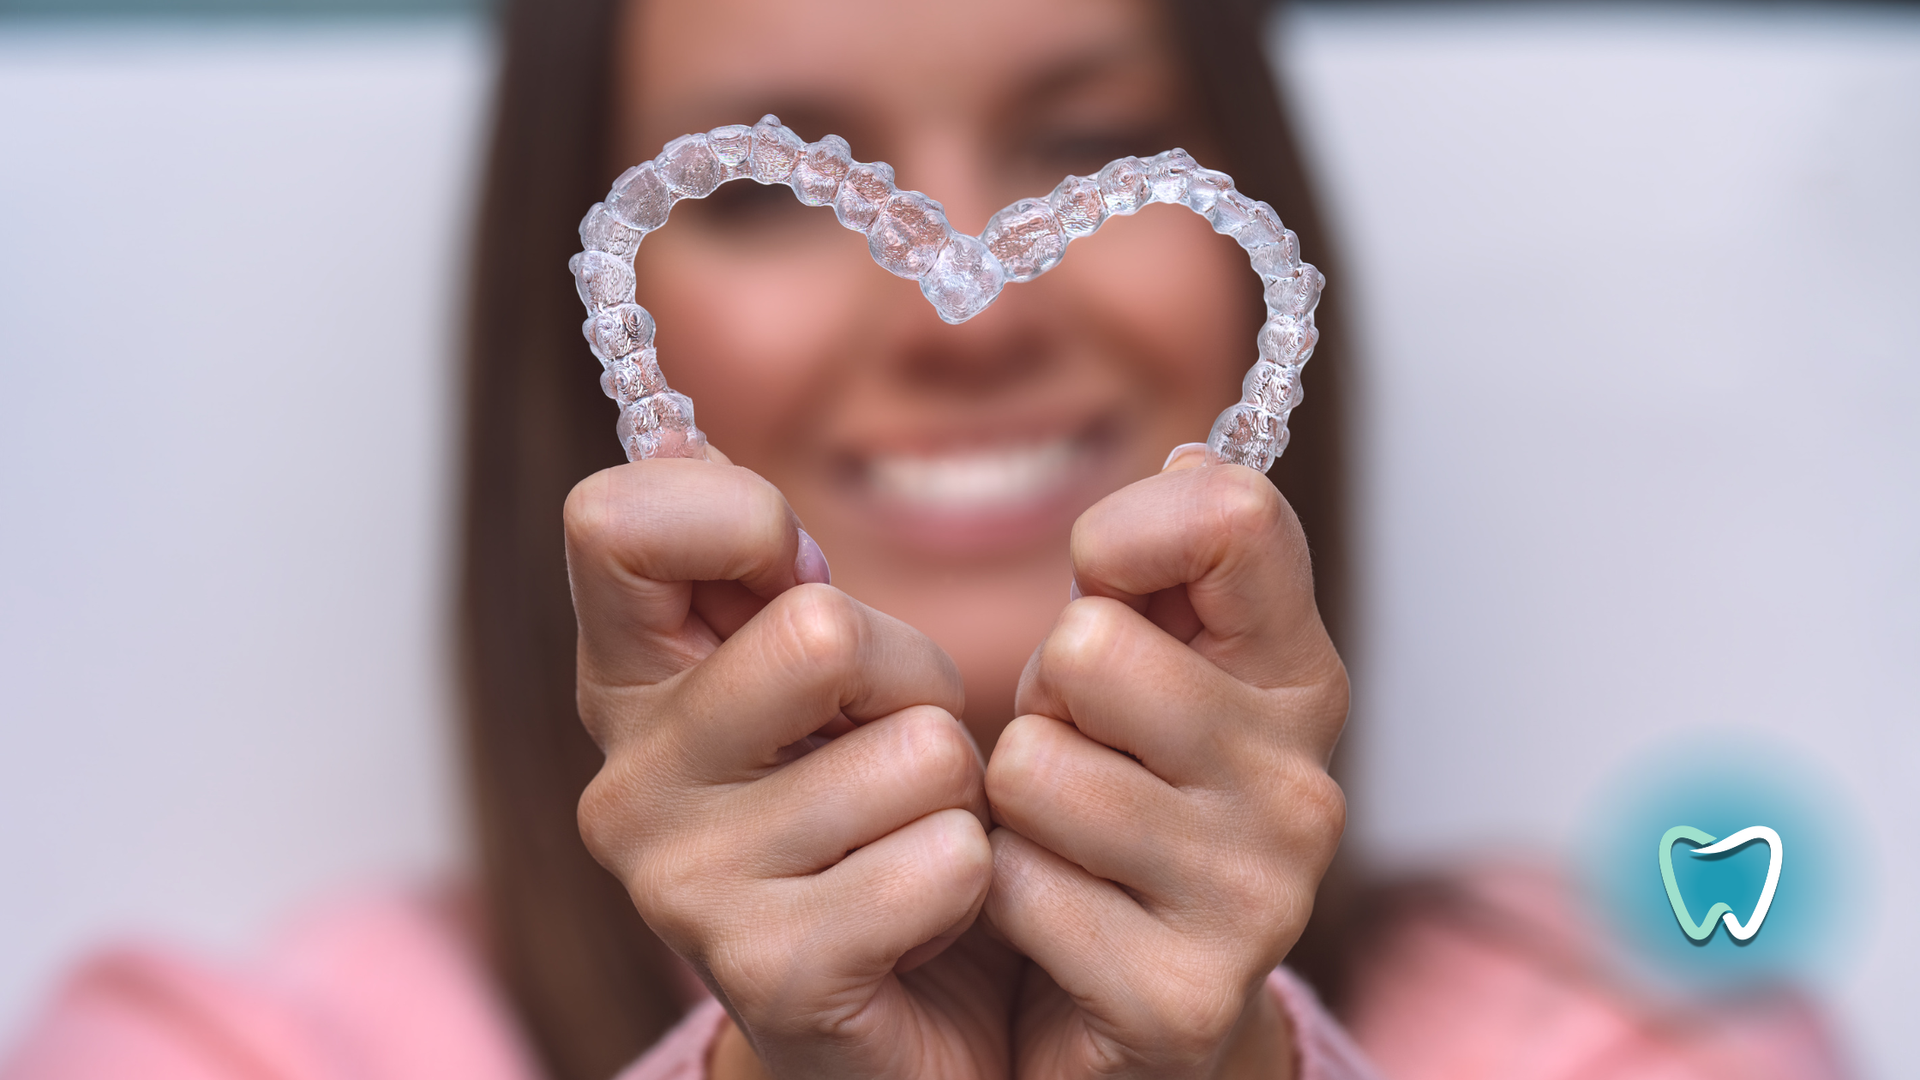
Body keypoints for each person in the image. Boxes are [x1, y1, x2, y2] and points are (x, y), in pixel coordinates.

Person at [0, 0, 1847, 1078]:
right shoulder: (214, 1050)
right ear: (589, 343)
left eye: (1091, 145)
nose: (964, 311)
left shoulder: (1655, 1030)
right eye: (760, 190)